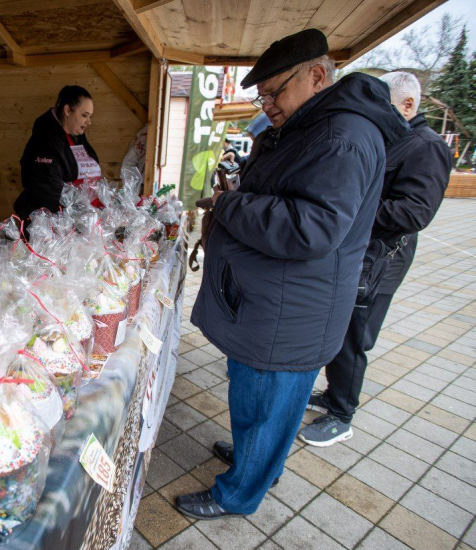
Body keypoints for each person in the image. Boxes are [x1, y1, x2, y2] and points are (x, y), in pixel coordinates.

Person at [174, 29, 409, 521]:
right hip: (276, 305)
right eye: (262, 96)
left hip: (290, 314)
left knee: (266, 404)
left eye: (274, 92)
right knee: (257, 402)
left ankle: (238, 493)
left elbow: (311, 227)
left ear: (317, 75)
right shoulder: (315, 126)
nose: (269, 104)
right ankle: (256, 461)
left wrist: (231, 204)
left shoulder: (341, 137)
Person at [298, 71, 453, 446]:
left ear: (409, 105)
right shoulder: (396, 138)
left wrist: (355, 206)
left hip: (382, 258)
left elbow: (416, 212)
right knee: (341, 324)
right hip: (361, 250)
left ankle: (341, 414)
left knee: (356, 333)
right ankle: (335, 394)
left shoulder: (427, 146)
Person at [13, 85, 99, 220]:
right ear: (67, 110)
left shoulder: (75, 134)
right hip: (51, 223)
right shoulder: (45, 140)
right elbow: (46, 188)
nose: (89, 122)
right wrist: (80, 214)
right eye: (84, 115)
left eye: (90, 116)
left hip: (78, 217)